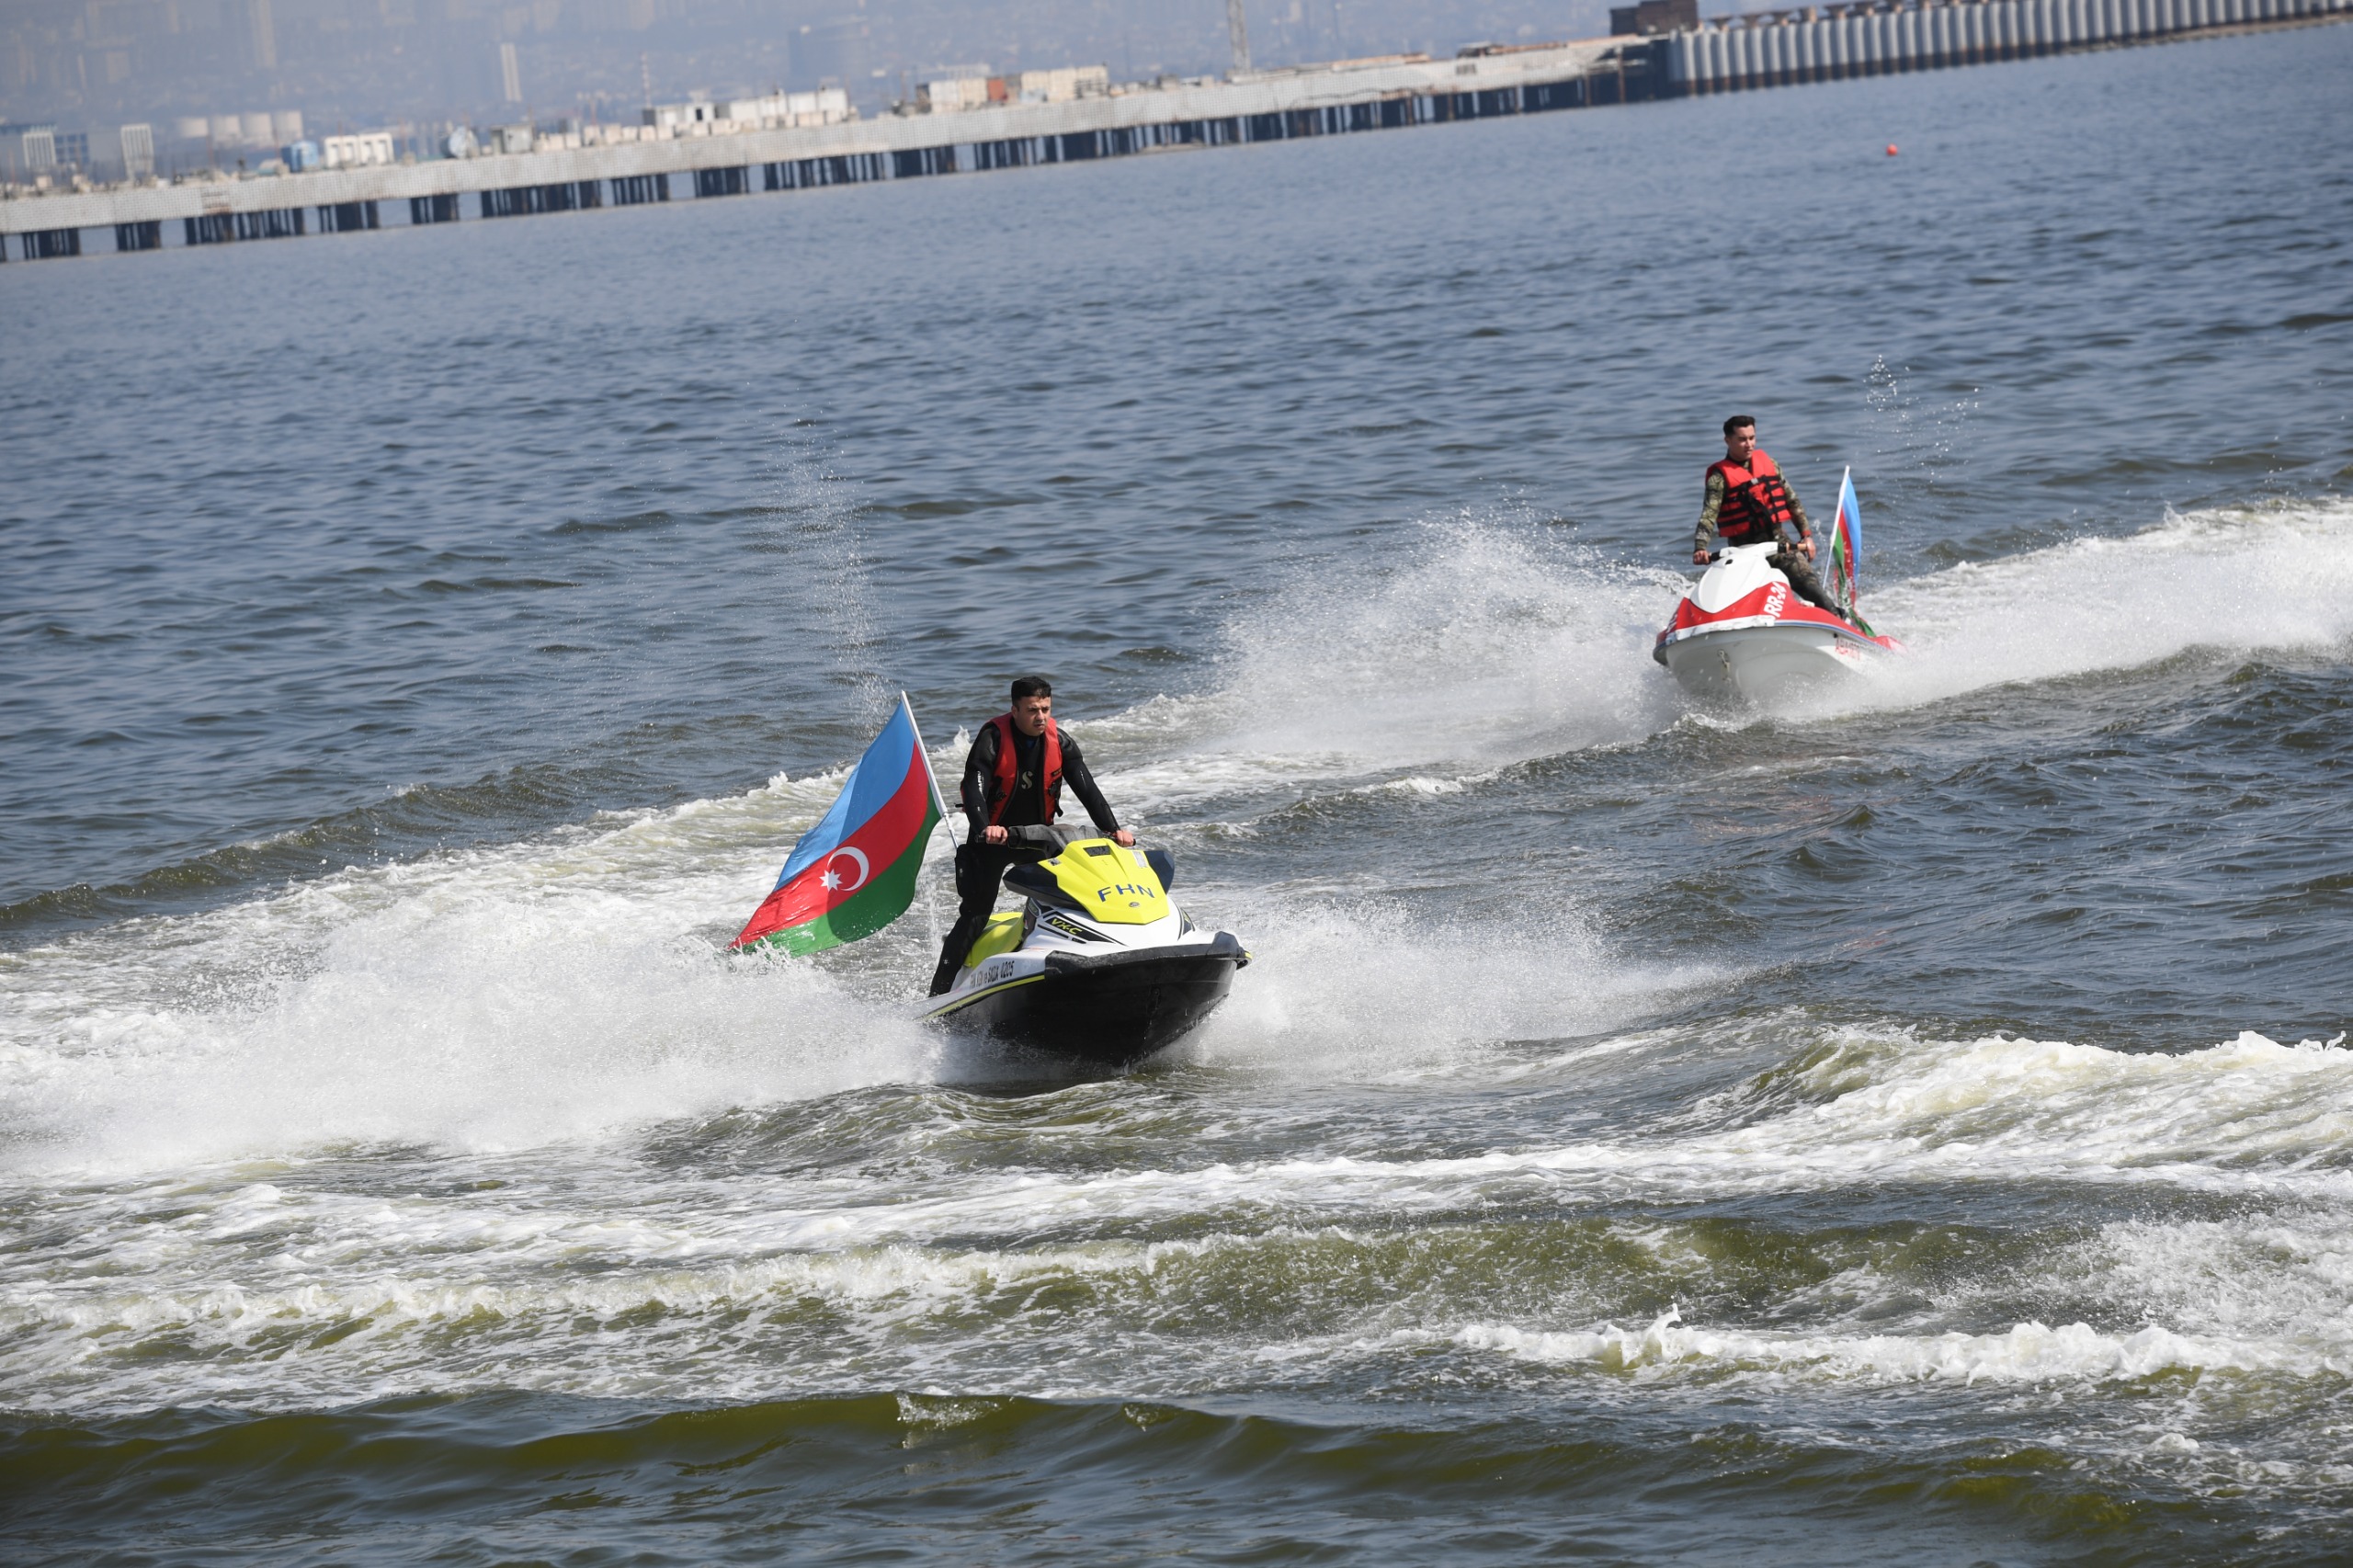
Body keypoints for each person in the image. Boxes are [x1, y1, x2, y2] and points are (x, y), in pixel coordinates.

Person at [928, 676, 1133, 994]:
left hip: (1039, 837)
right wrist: (985, 829)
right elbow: (973, 787)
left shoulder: (1060, 742)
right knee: (975, 915)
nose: (1041, 717)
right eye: (1032, 710)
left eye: (1046, 709)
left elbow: (1088, 790)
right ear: (1014, 710)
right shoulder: (992, 740)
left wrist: (1113, 828)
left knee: (1075, 897)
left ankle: (1083, 958)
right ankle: (938, 995)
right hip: (993, 840)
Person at [1691, 415, 1842, 616]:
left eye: (1752, 438)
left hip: (1779, 543)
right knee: (1740, 603)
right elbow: (1708, 514)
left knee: (1810, 586)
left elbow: (1792, 501)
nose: (1749, 444)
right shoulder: (1719, 478)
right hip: (1742, 551)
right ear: (1728, 441)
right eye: (1742, 439)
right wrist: (1700, 547)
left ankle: (1837, 619)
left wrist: (1806, 535)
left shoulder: (1769, 464)